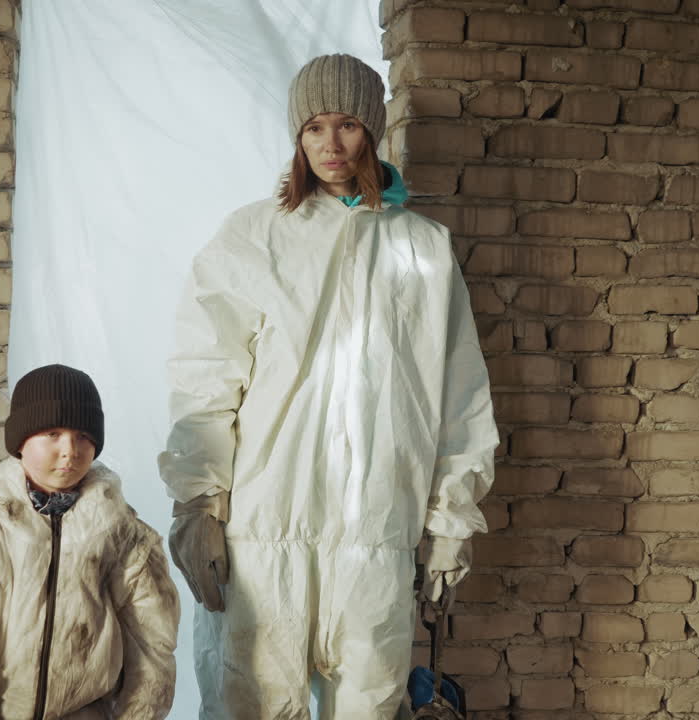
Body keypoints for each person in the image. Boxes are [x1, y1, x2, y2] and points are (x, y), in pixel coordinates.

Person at [159, 54, 498, 718]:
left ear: (372, 131)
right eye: (314, 127)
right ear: (297, 137)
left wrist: (451, 524)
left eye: (346, 124)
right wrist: (198, 507)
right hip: (261, 533)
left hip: (373, 532)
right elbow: (206, 379)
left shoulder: (423, 249)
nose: (330, 144)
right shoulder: (254, 238)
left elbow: (459, 396)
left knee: (371, 706)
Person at [0, 364, 180, 720]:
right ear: (21, 440)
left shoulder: (125, 538)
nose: (70, 450)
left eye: (83, 435)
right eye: (52, 433)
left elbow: (152, 651)